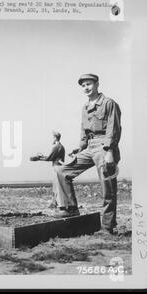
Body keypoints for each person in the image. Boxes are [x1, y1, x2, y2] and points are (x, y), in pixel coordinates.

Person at [54, 74, 121, 233]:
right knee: (61, 171)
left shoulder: (109, 103)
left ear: (97, 84)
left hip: (105, 147)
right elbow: (84, 132)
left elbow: (114, 129)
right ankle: (71, 208)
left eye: (89, 84)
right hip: (89, 147)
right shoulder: (85, 107)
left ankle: (107, 227)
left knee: (108, 189)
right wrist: (80, 147)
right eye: (83, 85)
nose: (86, 88)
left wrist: (109, 151)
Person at [30, 131, 65, 208]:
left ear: (55, 138)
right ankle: (56, 203)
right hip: (60, 167)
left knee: (56, 187)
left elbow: (50, 158)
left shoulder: (56, 147)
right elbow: (51, 157)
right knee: (58, 186)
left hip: (56, 168)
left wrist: (39, 158)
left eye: (53, 137)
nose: (52, 139)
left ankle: (56, 204)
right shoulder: (61, 147)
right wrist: (41, 157)